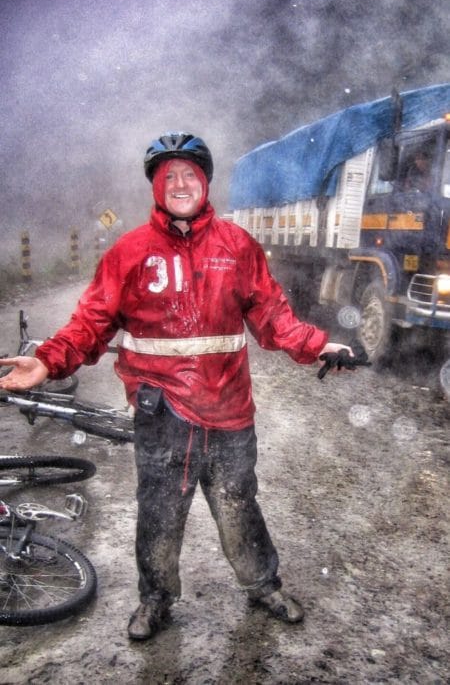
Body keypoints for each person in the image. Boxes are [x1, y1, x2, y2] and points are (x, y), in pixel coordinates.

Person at [0, 132, 353, 641]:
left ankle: (263, 585)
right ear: (156, 186)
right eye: (170, 175)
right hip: (162, 413)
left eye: (190, 173)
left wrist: (318, 344)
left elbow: (274, 317)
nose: (180, 182)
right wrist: (47, 361)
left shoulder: (237, 246)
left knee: (238, 502)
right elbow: (91, 323)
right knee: (160, 511)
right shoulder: (130, 252)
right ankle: (156, 599)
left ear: (206, 183)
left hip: (230, 410)